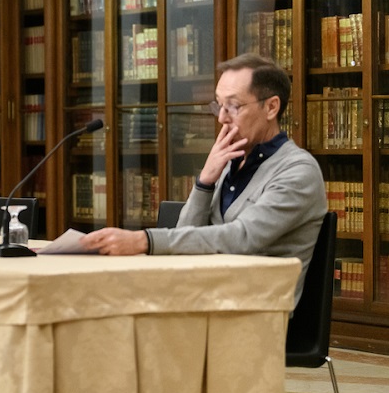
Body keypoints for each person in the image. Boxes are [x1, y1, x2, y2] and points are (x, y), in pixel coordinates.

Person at [80, 53, 326, 305]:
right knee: (102, 301)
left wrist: (144, 240)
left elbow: (241, 238)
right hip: (206, 296)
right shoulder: (231, 160)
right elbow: (186, 235)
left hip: (257, 312)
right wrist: (205, 182)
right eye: (218, 105)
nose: (221, 118)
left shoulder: (298, 170)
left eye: (233, 106)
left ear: (271, 107)